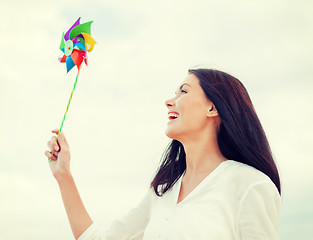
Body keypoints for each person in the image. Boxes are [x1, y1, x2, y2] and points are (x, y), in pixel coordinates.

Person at [45, 68, 281, 240]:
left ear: (212, 107)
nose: (169, 101)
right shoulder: (161, 192)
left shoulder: (250, 185)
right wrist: (63, 176)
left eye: (183, 92)